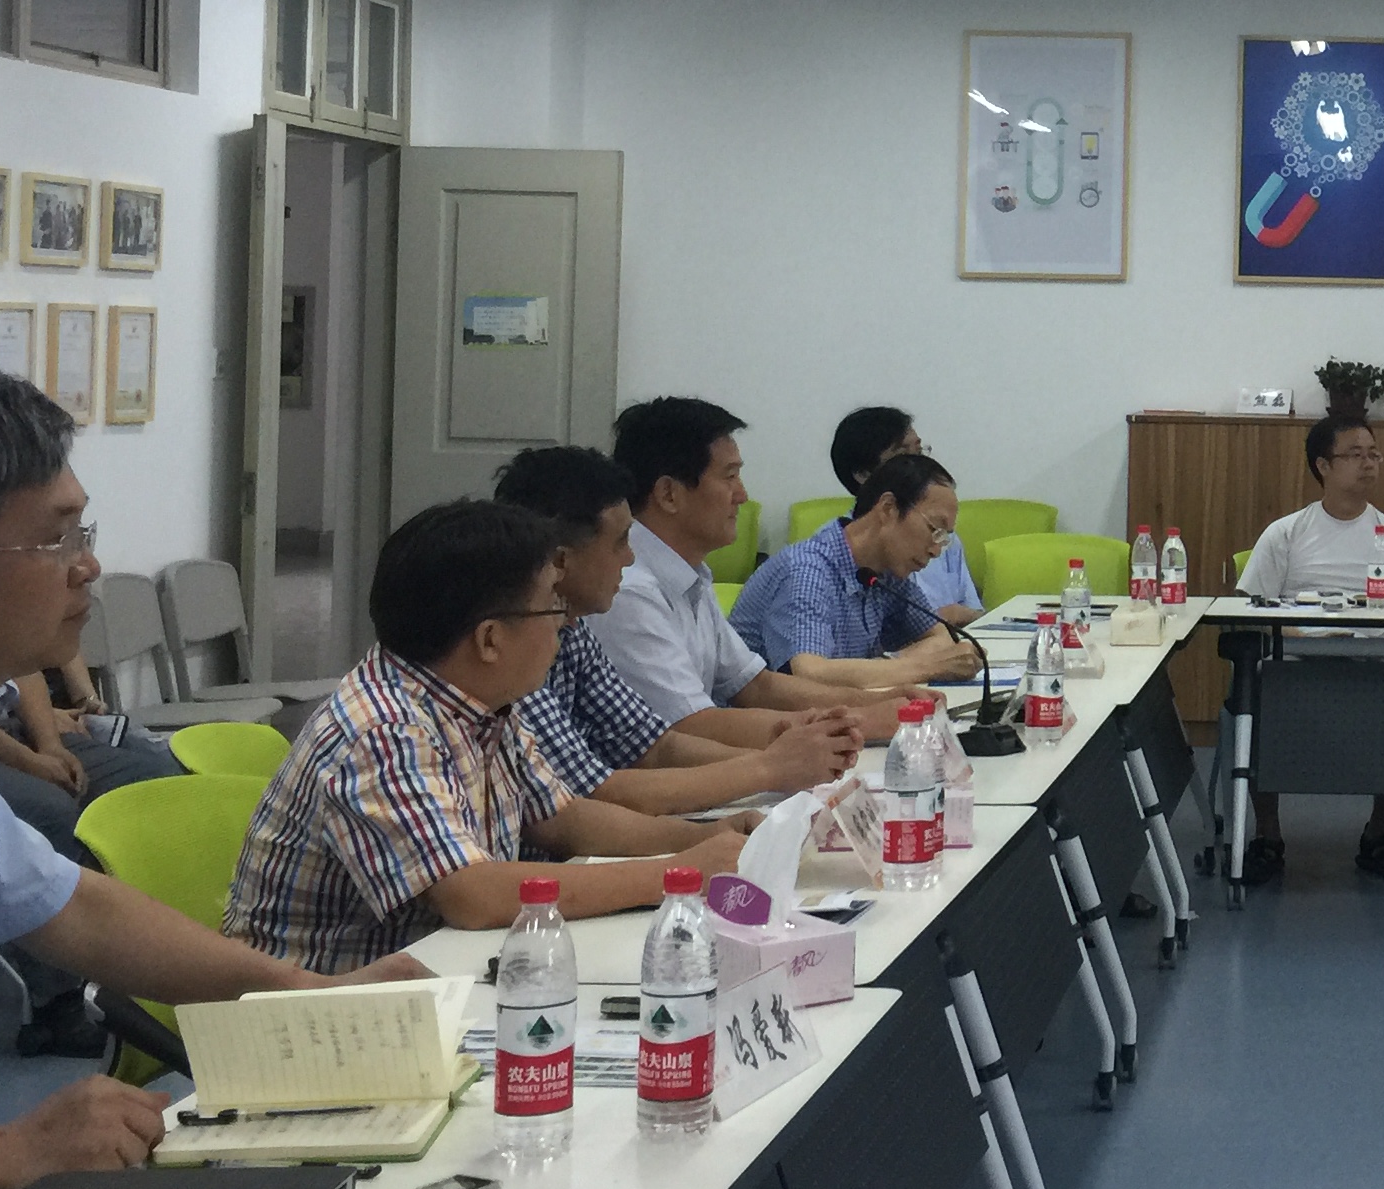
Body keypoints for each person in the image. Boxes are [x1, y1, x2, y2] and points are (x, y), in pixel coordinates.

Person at [0, 368, 421, 1189]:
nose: (87, 567)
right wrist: (1, 1154)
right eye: (53, 539)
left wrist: (306, 994)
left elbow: (76, 910)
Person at [226, 500, 751, 972]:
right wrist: (676, 873)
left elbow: (563, 818)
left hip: (436, 971)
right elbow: (472, 894)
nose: (565, 624)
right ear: (490, 640)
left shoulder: (481, 702)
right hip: (323, 1010)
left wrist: (708, 836)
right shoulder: (385, 731)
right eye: (551, 606)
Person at [492, 445, 866, 816]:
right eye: (620, 542)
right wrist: (769, 767)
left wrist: (786, 753)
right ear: (561, 560)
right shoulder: (518, 648)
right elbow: (591, 794)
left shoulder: (573, 630)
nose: (630, 557)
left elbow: (653, 746)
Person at [590, 397, 911, 738]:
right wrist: (861, 721)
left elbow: (755, 685)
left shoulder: (690, 575)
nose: (742, 495)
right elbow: (689, 726)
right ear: (669, 494)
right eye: (729, 477)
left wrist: (880, 701)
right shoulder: (629, 590)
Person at [1238, 416, 1384, 884]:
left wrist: (1379, 650)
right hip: (1297, 664)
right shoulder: (1286, 533)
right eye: (1355, 454)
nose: (1368, 464)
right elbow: (1252, 611)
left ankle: (1378, 834)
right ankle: (1268, 835)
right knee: (1256, 697)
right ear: (1323, 465)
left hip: (1373, 667)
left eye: (1374, 454)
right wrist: (1302, 642)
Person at [0, 661, 186, 1055]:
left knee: (151, 781)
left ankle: (155, 966)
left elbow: (25, 667)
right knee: (48, 811)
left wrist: (50, 745)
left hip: (18, 729)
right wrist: (27, 760)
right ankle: (59, 1003)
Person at [731, 453, 986, 690]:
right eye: (934, 529)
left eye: (944, 537)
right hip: (760, 719)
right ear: (888, 508)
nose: (936, 550)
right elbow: (808, 674)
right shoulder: (807, 570)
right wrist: (924, 667)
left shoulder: (887, 572)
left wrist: (888, 665)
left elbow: (940, 639)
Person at [829, 404, 983, 623]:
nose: (918, 466)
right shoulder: (841, 558)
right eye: (902, 456)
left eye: (919, 453)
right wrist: (945, 617)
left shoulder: (942, 538)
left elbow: (973, 615)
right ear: (863, 474)